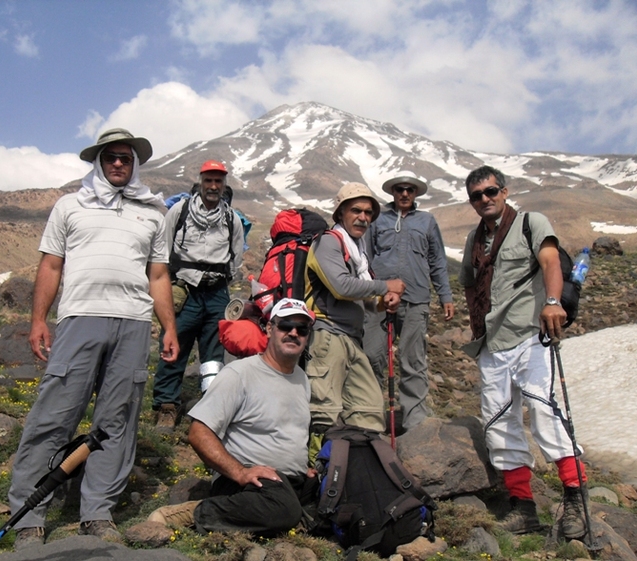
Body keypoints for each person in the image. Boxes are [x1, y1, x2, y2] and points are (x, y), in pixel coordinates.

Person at [8, 128, 180, 549]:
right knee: (54, 413)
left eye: (126, 157)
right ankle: (29, 513)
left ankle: (97, 512)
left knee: (117, 421)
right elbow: (51, 267)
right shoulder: (71, 206)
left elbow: (158, 275)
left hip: (134, 324)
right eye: (111, 157)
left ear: (135, 163)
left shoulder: (153, 213)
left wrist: (170, 326)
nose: (119, 163)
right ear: (98, 162)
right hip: (80, 319)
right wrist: (38, 320)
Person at [460, 165, 587, 538]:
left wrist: (552, 302)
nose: (485, 199)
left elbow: (549, 262)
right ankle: (523, 508)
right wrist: (475, 322)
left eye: (491, 191)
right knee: (498, 423)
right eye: (476, 195)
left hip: (532, 334)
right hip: (492, 344)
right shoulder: (473, 239)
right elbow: (469, 283)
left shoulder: (531, 222)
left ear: (504, 190)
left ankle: (576, 500)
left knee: (545, 413)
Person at [144, 298, 317, 536]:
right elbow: (198, 433)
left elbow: (286, 431)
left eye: (302, 328)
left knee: (338, 502)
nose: (293, 333)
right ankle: (193, 513)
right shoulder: (239, 374)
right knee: (284, 511)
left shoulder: (301, 378)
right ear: (269, 329)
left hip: (288, 481)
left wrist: (302, 467)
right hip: (247, 480)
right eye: (285, 325)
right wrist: (240, 472)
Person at [304, 182, 404, 448]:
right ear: (340, 214)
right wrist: (386, 286)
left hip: (351, 338)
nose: (363, 217)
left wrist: (384, 302)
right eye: (356, 210)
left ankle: (355, 470)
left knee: (368, 410)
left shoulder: (357, 251)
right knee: (323, 415)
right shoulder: (328, 242)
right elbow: (342, 287)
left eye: (368, 213)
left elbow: (365, 299)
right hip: (327, 336)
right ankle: (315, 478)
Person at [152, 160, 244, 432]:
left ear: (224, 185)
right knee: (173, 346)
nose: (213, 186)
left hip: (217, 293)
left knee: (214, 354)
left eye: (218, 181)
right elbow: (163, 251)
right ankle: (166, 406)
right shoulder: (179, 213)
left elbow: (235, 259)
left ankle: (210, 408)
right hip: (184, 291)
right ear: (200, 182)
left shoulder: (232, 219)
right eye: (209, 181)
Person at [363, 174, 455, 432]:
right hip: (378, 298)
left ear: (415, 194)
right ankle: (369, 418)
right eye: (400, 189)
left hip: (416, 299)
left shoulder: (427, 221)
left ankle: (415, 425)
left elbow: (437, 260)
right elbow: (366, 257)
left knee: (412, 360)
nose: (404, 194)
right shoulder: (378, 218)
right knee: (371, 356)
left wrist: (445, 295)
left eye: (410, 190)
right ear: (393, 192)